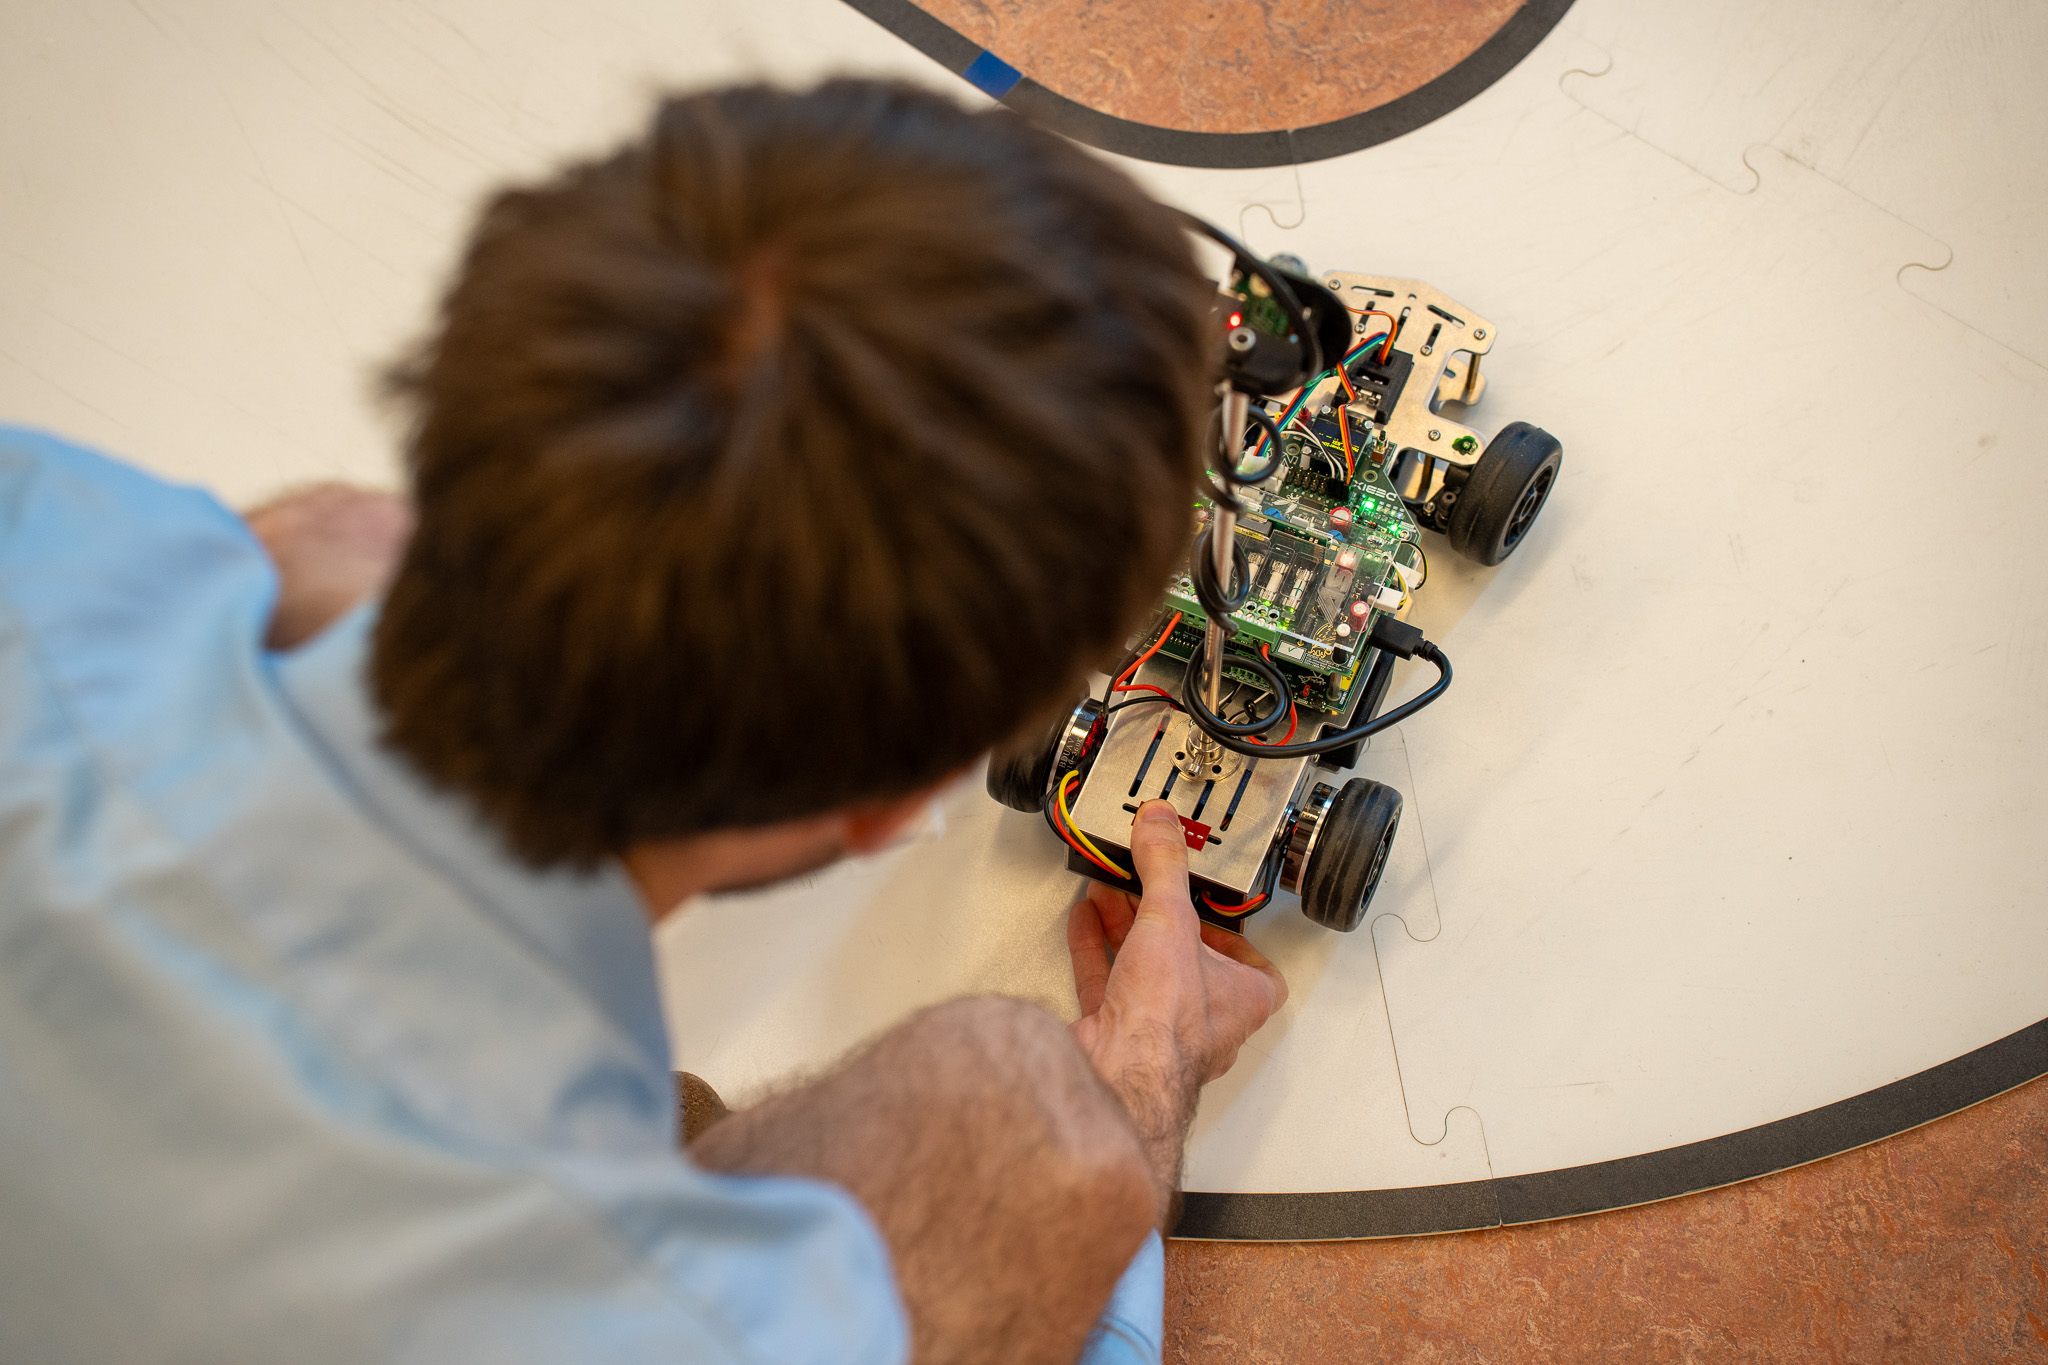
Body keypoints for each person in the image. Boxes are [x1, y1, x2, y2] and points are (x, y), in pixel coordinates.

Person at [0, 79, 1285, 1364]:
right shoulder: (649, 1325)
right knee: (1018, 1118)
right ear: (891, 808)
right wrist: (1136, 1088)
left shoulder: (46, 511)